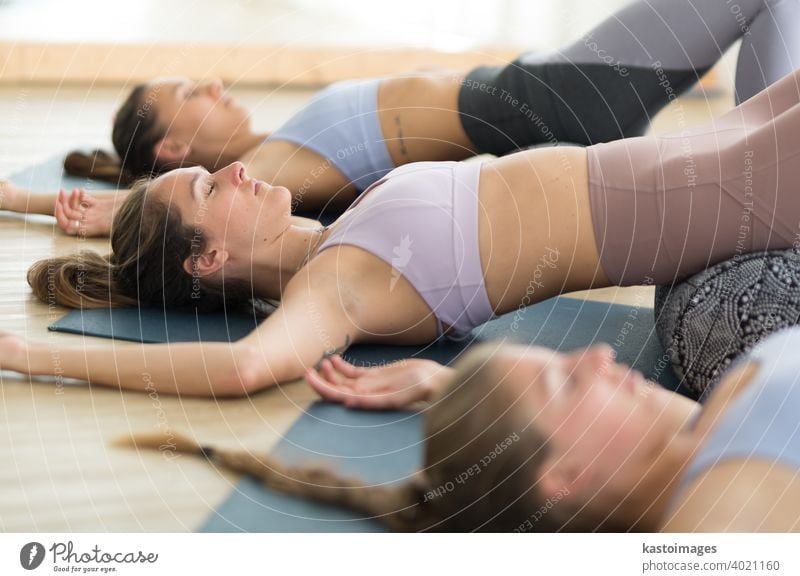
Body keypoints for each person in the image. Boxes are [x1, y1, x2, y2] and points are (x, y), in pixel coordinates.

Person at [10, 64, 800, 398]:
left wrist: (56, 205)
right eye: (213, 187)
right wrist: (29, 354)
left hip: (694, 156)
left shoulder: (336, 232)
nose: (240, 170)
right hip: (706, 199)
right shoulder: (333, 288)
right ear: (211, 257)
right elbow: (243, 367)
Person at [3, 0, 797, 235]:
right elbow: (142, 211)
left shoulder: (276, 144)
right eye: (193, 94)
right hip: (554, 102)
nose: (213, 84)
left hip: (539, 91)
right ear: (176, 149)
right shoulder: (267, 172)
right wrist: (28, 201)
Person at [119, 326, 800, 532]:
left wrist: (455, 392)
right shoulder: (726, 515)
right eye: (566, 379)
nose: (597, 355)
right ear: (561, 476)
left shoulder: (703, 433)